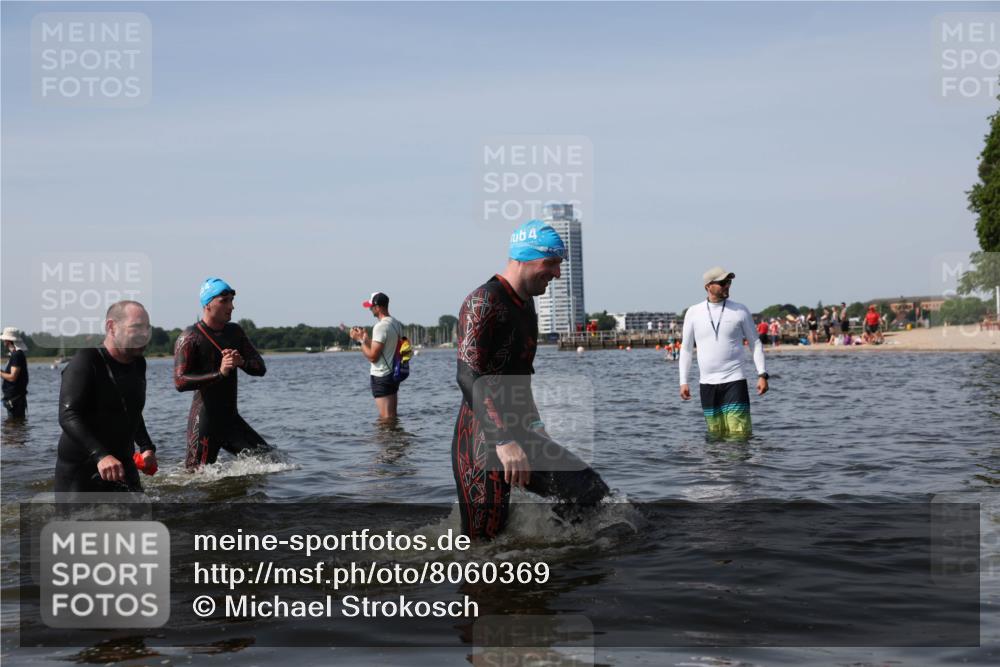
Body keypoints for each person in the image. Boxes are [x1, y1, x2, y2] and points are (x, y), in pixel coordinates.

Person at [452, 219, 609, 539]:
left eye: (559, 265)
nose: (557, 274)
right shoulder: (483, 301)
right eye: (550, 264)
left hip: (521, 435)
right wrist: (504, 440)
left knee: (591, 494)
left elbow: (521, 377)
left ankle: (557, 569)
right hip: (484, 443)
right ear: (524, 258)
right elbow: (468, 375)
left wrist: (537, 429)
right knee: (484, 549)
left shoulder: (526, 307)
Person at [54, 301, 157, 492]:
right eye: (136, 327)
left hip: (122, 465)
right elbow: (68, 415)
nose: (144, 335)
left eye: (147, 328)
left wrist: (146, 446)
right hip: (81, 471)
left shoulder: (138, 364)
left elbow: (130, 409)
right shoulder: (87, 360)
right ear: (111, 327)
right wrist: (101, 455)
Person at [174, 278, 271, 469]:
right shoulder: (189, 337)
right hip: (204, 424)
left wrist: (241, 362)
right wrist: (220, 373)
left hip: (231, 421)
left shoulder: (235, 332)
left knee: (271, 460)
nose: (231, 306)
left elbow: (260, 369)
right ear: (208, 304)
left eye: (232, 300)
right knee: (195, 479)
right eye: (224, 300)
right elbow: (179, 381)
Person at [679, 267, 768, 438]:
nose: (727, 285)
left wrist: (762, 374)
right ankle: (717, 466)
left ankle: (740, 466)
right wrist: (683, 381)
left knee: (739, 434)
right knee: (715, 435)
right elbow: (686, 349)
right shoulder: (693, 312)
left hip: (735, 381)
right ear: (708, 286)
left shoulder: (740, 310)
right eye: (722, 283)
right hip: (707, 384)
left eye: (729, 282)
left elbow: (755, 343)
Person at [349, 292, 404, 420]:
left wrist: (360, 341)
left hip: (381, 376)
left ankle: (384, 439)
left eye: (371, 307)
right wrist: (366, 339)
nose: (369, 309)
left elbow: (373, 357)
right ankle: (394, 438)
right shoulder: (396, 324)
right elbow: (385, 349)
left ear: (378, 307)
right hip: (393, 374)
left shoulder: (380, 327)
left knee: (386, 418)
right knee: (392, 417)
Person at [1, 328, 29, 419]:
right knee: (16, 427)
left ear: (8, 341)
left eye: (4, 339)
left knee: (14, 428)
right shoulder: (16, 354)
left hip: (15, 400)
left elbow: (13, 377)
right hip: (14, 399)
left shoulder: (17, 355)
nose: (3, 341)